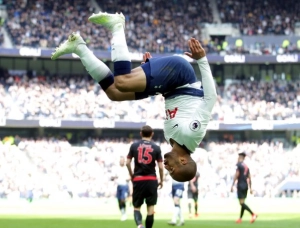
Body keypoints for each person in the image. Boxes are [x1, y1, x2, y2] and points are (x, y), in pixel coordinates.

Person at [51, 12, 217, 182]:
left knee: (115, 93)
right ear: (183, 160)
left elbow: (179, 104)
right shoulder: (191, 135)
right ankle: (117, 25)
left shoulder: (171, 139)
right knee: (123, 81)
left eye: (168, 171)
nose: (167, 168)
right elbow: (210, 98)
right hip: (179, 75)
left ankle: (79, 47)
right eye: (172, 170)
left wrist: (152, 77)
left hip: (168, 86)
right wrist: (202, 60)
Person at [126, 125, 164, 228]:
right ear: (152, 134)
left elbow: (127, 163)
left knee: (136, 207)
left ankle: (139, 225)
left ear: (140, 133)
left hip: (138, 179)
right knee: (150, 209)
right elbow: (161, 167)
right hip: (151, 180)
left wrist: (132, 175)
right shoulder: (156, 148)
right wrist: (161, 180)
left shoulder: (134, 146)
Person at [230, 152, 257, 224]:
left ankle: (253, 214)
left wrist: (232, 185)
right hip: (246, 186)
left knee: (241, 203)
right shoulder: (246, 166)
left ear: (240, 157)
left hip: (240, 185)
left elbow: (236, 175)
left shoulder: (238, 165)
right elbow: (249, 177)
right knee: (243, 202)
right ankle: (240, 218)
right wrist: (250, 188)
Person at [111, 156, 130, 221]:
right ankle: (122, 212)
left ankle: (124, 213)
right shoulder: (116, 168)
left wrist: (128, 178)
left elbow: (131, 176)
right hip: (119, 186)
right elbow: (112, 177)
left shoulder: (127, 168)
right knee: (119, 200)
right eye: (120, 160)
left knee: (122, 199)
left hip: (124, 185)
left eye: (122, 160)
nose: (121, 161)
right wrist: (113, 177)